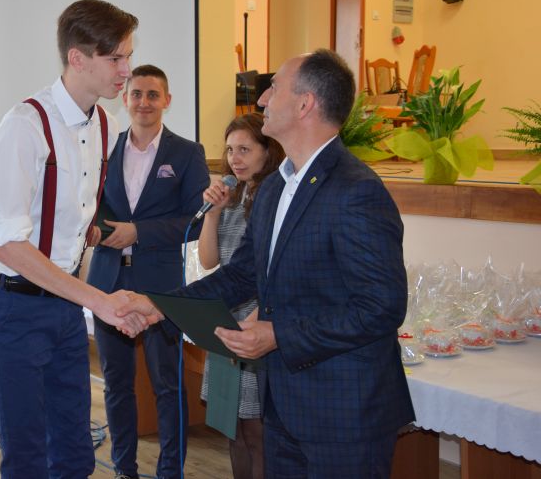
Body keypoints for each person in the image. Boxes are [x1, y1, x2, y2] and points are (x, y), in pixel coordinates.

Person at [122, 49, 415, 478]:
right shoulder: (275, 187)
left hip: (343, 411)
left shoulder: (356, 190)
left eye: (273, 88)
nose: (261, 100)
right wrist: (159, 305)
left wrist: (278, 335)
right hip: (283, 404)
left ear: (305, 104)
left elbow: (382, 306)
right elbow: (242, 274)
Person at [0, 0, 157, 479]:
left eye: (128, 56)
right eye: (115, 58)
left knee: (75, 453)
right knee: (27, 457)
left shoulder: (106, 124)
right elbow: (8, 244)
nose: (126, 70)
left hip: (64, 306)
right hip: (12, 308)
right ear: (78, 58)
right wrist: (100, 301)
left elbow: (70, 212)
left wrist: (87, 231)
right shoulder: (24, 126)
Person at [87, 64, 210, 479]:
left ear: (167, 101)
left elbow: (196, 221)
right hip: (108, 283)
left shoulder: (187, 153)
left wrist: (138, 232)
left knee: (167, 385)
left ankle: (170, 472)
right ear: (125, 99)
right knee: (117, 385)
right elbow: (90, 206)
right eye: (136, 93)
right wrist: (97, 231)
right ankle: (124, 469)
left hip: (161, 288)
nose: (144, 102)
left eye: (153, 95)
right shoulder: (104, 148)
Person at [196, 112, 283, 479]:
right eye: (230, 149)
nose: (235, 158)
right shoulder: (231, 197)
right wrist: (212, 215)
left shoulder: (274, 196)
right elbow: (208, 261)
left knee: (257, 431)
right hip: (226, 320)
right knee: (232, 427)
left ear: (267, 151)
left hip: (256, 322)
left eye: (245, 149)